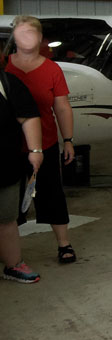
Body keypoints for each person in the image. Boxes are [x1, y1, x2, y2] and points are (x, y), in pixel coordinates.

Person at [6, 15, 77, 264]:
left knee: (51, 193)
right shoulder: (4, 66)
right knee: (8, 201)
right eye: (21, 32)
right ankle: (11, 253)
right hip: (9, 147)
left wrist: (68, 139)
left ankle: (63, 243)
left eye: (31, 33)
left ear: (40, 38)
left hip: (44, 143)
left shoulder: (52, 69)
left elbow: (62, 107)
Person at [0, 69, 43, 283]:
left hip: (4, 167)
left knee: (7, 219)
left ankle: (13, 265)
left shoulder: (7, 83)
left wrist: (36, 150)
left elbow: (29, 117)